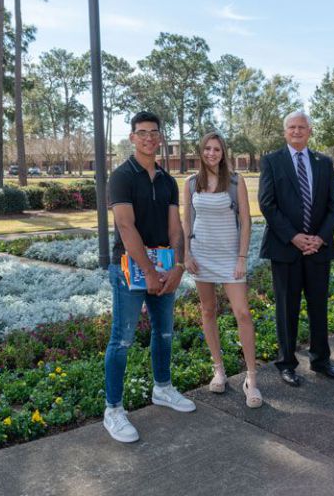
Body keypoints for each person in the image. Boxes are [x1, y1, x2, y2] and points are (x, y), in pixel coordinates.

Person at [103, 111, 195, 443]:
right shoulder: (122, 177)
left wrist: (177, 267)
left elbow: (175, 227)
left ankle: (163, 388)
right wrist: (148, 272)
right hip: (130, 268)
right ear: (132, 138)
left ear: (160, 137)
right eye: (142, 133)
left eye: (154, 133)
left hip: (164, 267)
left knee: (165, 333)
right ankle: (113, 409)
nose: (149, 138)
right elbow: (125, 227)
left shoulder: (168, 181)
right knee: (122, 339)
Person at [258, 110, 334, 387]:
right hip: (285, 249)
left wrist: (319, 238)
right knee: (287, 308)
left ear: (310, 131)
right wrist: (294, 236)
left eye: (302, 127)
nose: (297, 131)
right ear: (285, 132)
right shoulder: (271, 161)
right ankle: (287, 364)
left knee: (319, 307)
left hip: (318, 248)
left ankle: (321, 361)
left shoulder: (324, 163)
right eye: (292, 127)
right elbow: (267, 204)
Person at [183, 132, 262, 408]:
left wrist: (242, 257)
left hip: (230, 257)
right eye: (207, 148)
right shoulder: (191, 183)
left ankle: (251, 379)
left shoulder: (235, 181)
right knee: (208, 310)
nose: (211, 153)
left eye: (216, 149)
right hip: (202, 256)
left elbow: (246, 220)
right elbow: (187, 222)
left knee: (242, 312)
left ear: (223, 152)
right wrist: (186, 254)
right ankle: (219, 369)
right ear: (201, 151)